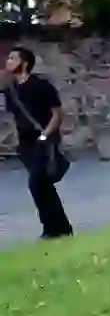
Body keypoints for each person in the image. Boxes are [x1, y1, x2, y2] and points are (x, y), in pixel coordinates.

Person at [5, 46, 72, 239]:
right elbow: (15, 117)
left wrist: (45, 135)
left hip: (44, 141)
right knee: (43, 186)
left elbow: (58, 113)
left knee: (36, 184)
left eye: (12, 58)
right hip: (25, 145)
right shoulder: (11, 91)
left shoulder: (41, 86)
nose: (7, 61)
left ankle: (52, 229)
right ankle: (59, 228)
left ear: (24, 63)